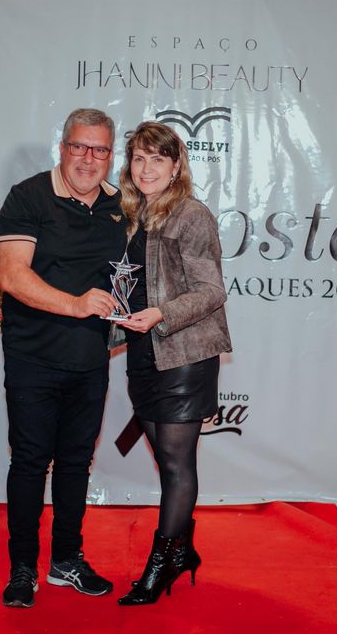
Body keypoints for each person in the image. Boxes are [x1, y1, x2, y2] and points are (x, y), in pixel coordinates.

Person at [0, 108, 127, 607]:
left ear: (111, 155)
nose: (88, 159)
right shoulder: (28, 196)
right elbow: (12, 275)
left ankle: (66, 559)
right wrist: (75, 304)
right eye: (79, 147)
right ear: (63, 147)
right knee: (30, 462)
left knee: (76, 463)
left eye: (100, 150)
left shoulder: (120, 205)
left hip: (91, 360)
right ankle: (23, 567)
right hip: (33, 356)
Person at [116, 122, 232, 606]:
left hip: (185, 354)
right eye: (139, 158)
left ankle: (161, 562)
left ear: (176, 165)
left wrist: (162, 313)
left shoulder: (191, 215)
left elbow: (211, 291)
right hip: (142, 351)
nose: (147, 169)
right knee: (167, 461)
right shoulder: (130, 215)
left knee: (178, 462)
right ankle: (182, 549)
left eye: (157, 159)